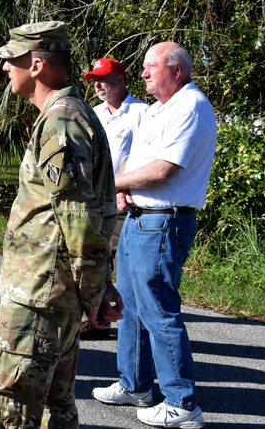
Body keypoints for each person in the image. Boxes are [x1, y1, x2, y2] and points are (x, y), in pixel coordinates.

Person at [0, 21, 121, 428]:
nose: (6, 68)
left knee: (5, 412)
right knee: (54, 411)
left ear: (36, 65)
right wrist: (99, 286)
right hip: (56, 294)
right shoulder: (72, 114)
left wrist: (93, 295)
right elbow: (93, 215)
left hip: (39, 297)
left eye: (12, 60)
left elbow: (79, 221)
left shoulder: (61, 122)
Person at [92, 42, 216, 429]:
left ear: (176, 71)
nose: (143, 73)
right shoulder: (160, 108)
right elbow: (135, 157)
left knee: (159, 311)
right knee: (129, 304)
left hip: (164, 220)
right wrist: (124, 187)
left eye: (150, 66)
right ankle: (135, 384)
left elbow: (164, 170)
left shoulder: (190, 107)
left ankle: (182, 403)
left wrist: (111, 184)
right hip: (140, 217)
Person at [80, 57, 149, 340]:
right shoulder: (91, 113)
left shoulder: (142, 113)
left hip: (124, 202)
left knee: (121, 264)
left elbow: (144, 157)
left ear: (120, 80)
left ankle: (130, 324)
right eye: (94, 80)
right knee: (94, 261)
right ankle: (96, 321)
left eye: (103, 79)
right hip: (92, 200)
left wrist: (124, 189)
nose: (97, 85)